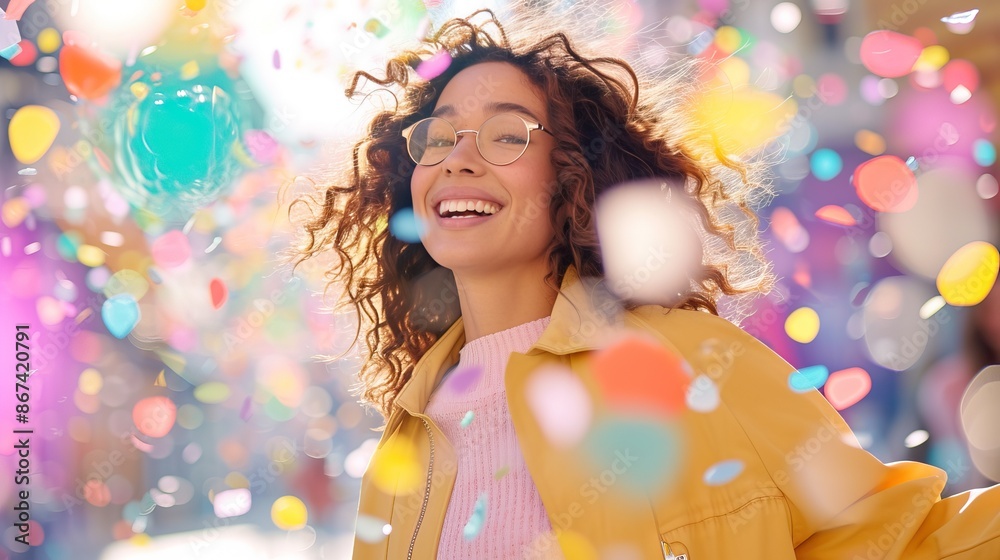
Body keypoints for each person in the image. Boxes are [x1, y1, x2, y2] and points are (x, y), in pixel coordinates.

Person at [289, 8, 1000, 560]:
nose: (459, 159)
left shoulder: (688, 363)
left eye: (506, 135)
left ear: (574, 175)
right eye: (438, 138)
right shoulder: (406, 440)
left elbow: (905, 538)